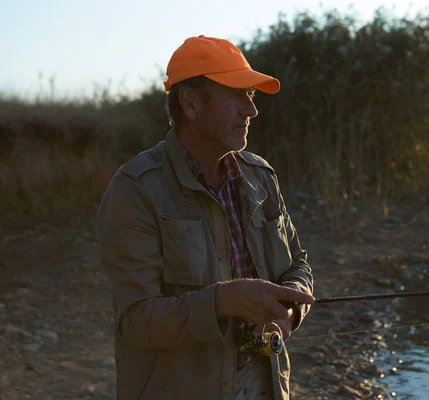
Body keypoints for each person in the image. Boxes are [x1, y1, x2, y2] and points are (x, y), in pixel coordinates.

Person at [95, 35, 314, 400]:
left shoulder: (261, 176)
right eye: (237, 95)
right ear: (191, 103)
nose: (251, 110)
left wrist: (289, 312)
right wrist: (223, 302)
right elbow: (136, 321)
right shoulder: (135, 189)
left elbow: (299, 265)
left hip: (267, 388)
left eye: (252, 96)